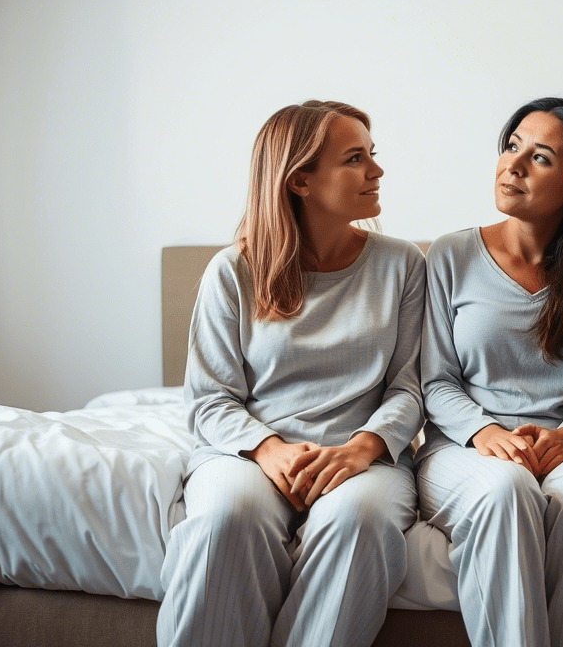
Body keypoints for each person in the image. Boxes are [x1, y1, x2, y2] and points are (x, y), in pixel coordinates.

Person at [157, 101, 425, 647]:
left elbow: (410, 385)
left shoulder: (403, 265)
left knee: (358, 522)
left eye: (373, 156)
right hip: (249, 454)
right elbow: (210, 399)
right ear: (300, 179)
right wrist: (269, 449)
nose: (376, 171)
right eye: (355, 159)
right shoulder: (232, 270)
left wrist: (362, 448)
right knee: (228, 519)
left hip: (361, 457)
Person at [417, 97, 563, 647]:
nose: (511, 165)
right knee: (507, 487)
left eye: (539, 158)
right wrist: (487, 432)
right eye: (512, 146)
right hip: (463, 449)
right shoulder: (450, 255)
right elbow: (434, 380)